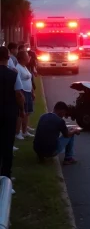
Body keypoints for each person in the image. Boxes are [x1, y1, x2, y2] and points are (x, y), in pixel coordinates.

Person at [0, 46, 25, 194]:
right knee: (7, 147)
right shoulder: (13, 74)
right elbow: (19, 95)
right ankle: (6, 179)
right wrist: (21, 109)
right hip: (8, 114)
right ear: (8, 57)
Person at [15, 51, 35, 139]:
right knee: (21, 113)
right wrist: (21, 93)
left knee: (27, 112)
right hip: (22, 92)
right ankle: (17, 132)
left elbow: (29, 80)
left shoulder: (25, 67)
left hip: (28, 92)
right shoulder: (18, 68)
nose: (29, 57)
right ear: (23, 58)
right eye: (27, 56)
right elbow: (18, 82)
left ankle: (24, 131)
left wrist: (32, 92)